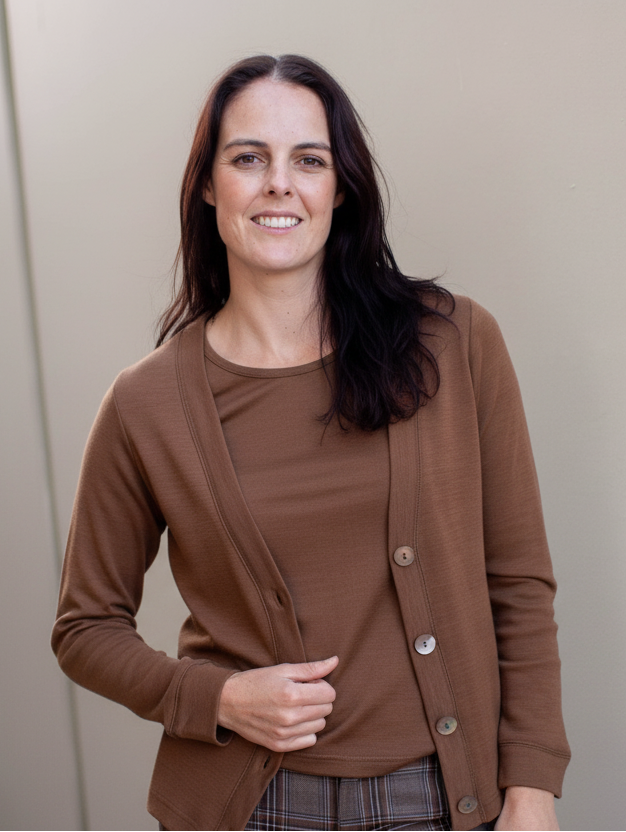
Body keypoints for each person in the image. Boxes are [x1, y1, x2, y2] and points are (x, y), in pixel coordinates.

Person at [52, 54, 570, 831]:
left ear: (340, 187)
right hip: (250, 805)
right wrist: (217, 697)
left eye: (310, 160)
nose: (278, 185)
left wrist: (531, 789)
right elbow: (84, 628)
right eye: (248, 158)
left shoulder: (454, 343)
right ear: (207, 184)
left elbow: (519, 582)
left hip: (439, 797)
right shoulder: (145, 404)